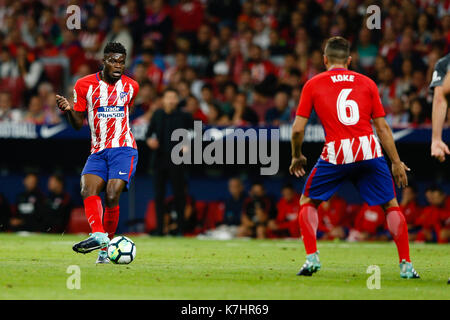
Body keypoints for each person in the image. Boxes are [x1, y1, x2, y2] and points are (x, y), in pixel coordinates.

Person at [289, 37, 419, 279]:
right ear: (349, 61)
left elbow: (297, 129)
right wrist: (396, 162)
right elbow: (382, 128)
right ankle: (406, 266)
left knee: (308, 201)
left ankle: (312, 258)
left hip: (336, 153)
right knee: (390, 205)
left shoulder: (313, 84)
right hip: (369, 150)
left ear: (324, 59)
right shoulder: (368, 83)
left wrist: (297, 156)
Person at [55, 42, 139, 264]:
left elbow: (127, 114)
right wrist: (68, 111)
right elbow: (77, 123)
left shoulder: (132, 87)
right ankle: (100, 237)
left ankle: (105, 249)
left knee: (112, 194)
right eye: (113, 60)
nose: (118, 65)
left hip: (124, 148)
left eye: (122, 61)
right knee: (87, 187)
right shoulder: (84, 85)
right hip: (98, 151)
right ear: (103, 61)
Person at [145, 88, 193, 236]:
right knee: (159, 196)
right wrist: (150, 141)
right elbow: (148, 134)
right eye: (168, 97)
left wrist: (187, 143)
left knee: (179, 195)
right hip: (159, 161)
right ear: (163, 100)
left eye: (174, 97)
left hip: (177, 161)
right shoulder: (157, 115)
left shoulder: (184, 116)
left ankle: (180, 229)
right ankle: (160, 229)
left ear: (177, 100)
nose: (171, 100)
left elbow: (196, 131)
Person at [429, 53, 450, 162]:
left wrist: (436, 139)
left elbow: (440, 99)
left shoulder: (444, 63)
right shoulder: (444, 64)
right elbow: (440, 99)